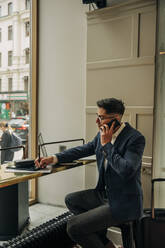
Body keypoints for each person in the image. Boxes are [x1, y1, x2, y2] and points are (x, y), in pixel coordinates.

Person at [35, 98, 145, 248]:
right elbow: (83, 149)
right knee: (71, 200)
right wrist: (53, 158)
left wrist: (107, 145)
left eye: (101, 117)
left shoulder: (135, 138)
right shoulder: (101, 134)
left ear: (116, 118)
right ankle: (106, 244)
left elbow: (127, 170)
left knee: (73, 227)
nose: (97, 121)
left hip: (124, 202)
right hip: (104, 195)